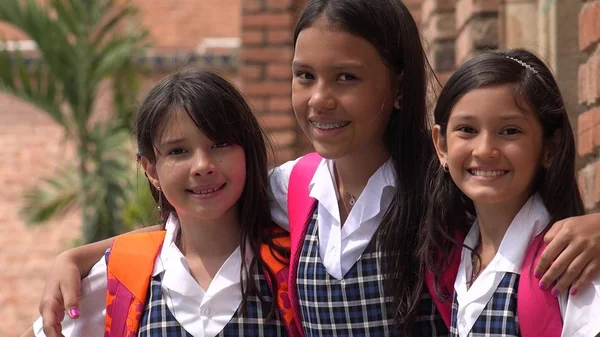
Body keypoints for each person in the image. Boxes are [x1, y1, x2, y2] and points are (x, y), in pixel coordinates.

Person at [32, 1, 600, 336]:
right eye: (305, 76)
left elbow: (520, 225)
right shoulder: (293, 189)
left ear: (398, 85)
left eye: (346, 78)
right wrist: (80, 257)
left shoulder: (444, 186)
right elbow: (197, 218)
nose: (319, 99)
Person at [27, 69, 294, 337]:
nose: (202, 166)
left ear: (248, 152)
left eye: (220, 144)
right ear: (152, 170)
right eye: (178, 151)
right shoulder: (122, 274)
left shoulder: (294, 264)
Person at [420, 49, 600, 337]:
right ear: (441, 146)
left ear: (549, 147)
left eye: (510, 131)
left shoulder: (570, 267)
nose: (485, 150)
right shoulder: (451, 256)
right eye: (467, 129)